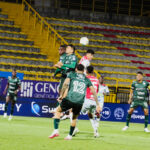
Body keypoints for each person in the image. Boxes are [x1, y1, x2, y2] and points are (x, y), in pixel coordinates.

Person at [49, 64, 100, 140]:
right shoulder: (86, 79)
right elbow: (93, 91)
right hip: (79, 102)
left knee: (58, 110)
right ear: (83, 71)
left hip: (70, 98)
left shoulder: (72, 74)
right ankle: (69, 136)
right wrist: (98, 104)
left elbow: (65, 84)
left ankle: (56, 130)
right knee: (74, 118)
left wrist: (61, 95)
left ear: (76, 69)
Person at [81, 66, 99, 137]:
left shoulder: (86, 79)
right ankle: (95, 131)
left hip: (87, 100)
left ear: (87, 71)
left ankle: (73, 130)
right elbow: (96, 91)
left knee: (74, 112)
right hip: (94, 101)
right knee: (90, 115)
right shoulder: (96, 79)